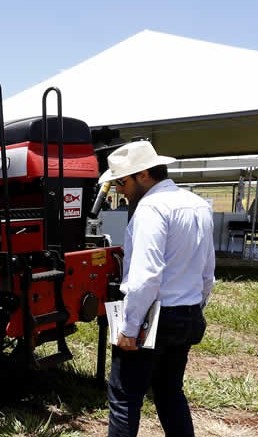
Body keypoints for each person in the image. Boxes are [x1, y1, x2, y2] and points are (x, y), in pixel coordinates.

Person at [99, 140, 214, 437]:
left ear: (145, 175)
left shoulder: (151, 208)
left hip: (153, 318)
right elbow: (207, 271)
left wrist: (129, 327)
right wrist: (195, 307)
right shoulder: (197, 204)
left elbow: (146, 276)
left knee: (124, 398)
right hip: (186, 314)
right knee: (169, 391)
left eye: (122, 182)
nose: (120, 190)